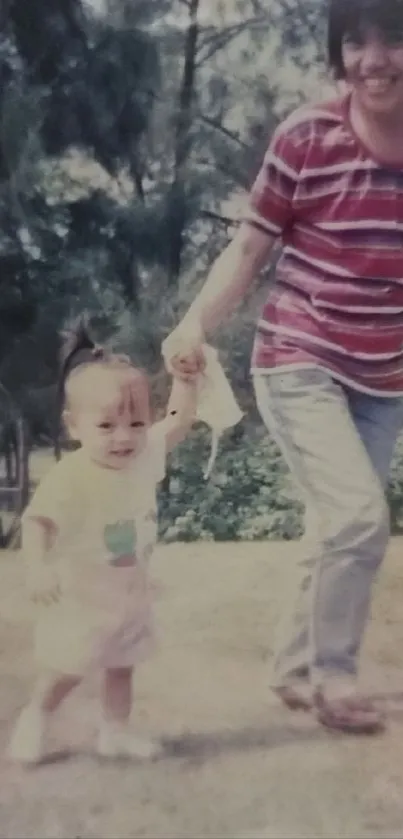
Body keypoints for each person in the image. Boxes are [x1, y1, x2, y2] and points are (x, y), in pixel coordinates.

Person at [163, 0, 403, 734]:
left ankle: (291, 670)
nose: (373, 59)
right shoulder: (307, 134)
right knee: (360, 515)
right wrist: (195, 321)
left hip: (385, 370)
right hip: (299, 352)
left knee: (334, 525)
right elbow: (249, 248)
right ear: (339, 52)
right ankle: (332, 677)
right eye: (355, 42)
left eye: (392, 39)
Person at [8, 321, 197, 764]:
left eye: (135, 422)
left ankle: (115, 732)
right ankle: (35, 716)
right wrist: (37, 568)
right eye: (107, 425)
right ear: (74, 426)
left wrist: (186, 381)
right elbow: (37, 522)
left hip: (129, 593)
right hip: (81, 596)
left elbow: (180, 421)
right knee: (67, 666)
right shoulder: (72, 475)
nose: (124, 437)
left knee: (121, 665)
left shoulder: (145, 454)